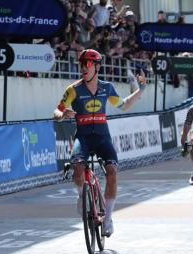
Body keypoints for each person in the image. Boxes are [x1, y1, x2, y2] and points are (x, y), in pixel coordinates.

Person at [54, 49, 146, 237]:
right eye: (81, 64)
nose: (83, 68)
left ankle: (109, 218)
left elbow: (123, 105)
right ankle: (81, 196)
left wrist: (141, 90)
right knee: (78, 166)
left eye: (87, 64)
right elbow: (57, 111)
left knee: (112, 172)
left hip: (103, 137)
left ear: (97, 67)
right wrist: (62, 114)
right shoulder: (73, 89)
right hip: (83, 137)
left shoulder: (107, 88)